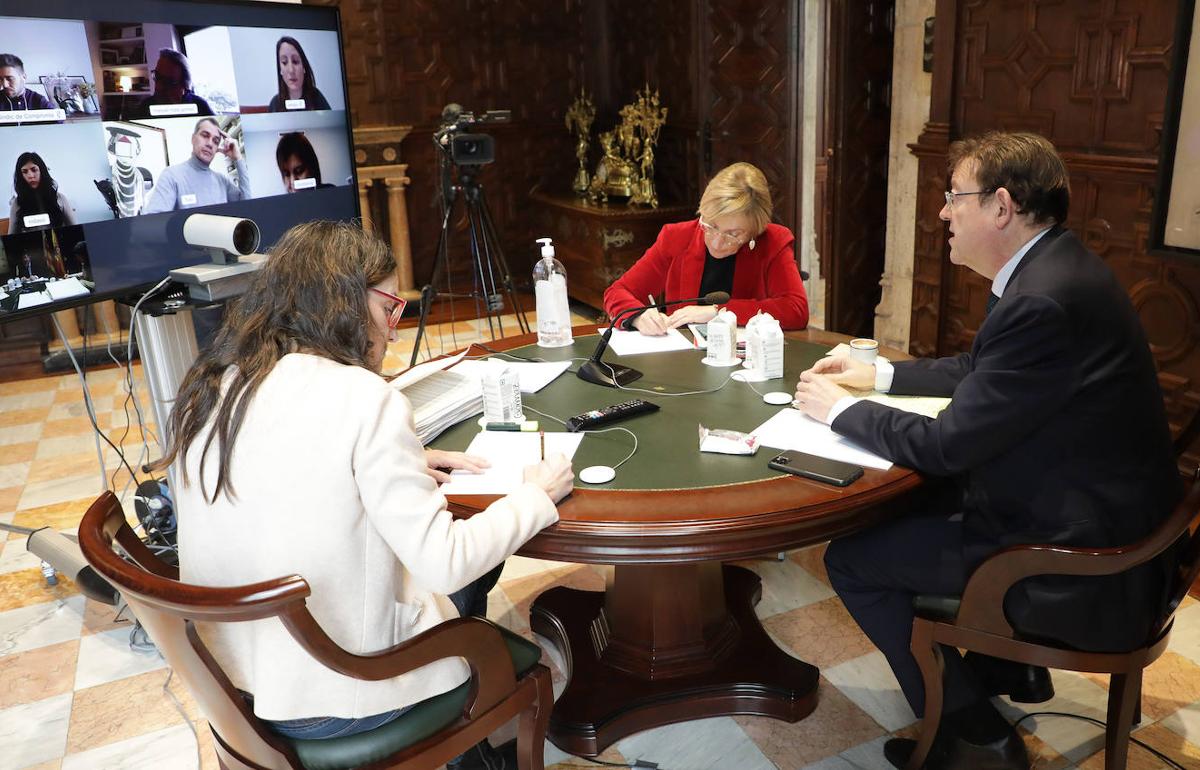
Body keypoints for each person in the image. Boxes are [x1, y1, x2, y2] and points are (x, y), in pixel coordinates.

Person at [794, 132, 1181, 769]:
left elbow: (947, 447)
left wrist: (837, 410)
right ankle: (1013, 669)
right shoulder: (1053, 265)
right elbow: (984, 367)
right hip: (1106, 508)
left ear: (1001, 206)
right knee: (907, 509)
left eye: (954, 197)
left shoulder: (1040, 300)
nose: (944, 212)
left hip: (1083, 555)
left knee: (854, 560)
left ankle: (970, 734)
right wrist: (881, 376)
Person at [154, 221, 573, 769]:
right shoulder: (363, 397)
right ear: (344, 302)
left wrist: (402, 463)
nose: (395, 330)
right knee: (476, 569)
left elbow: (275, 468)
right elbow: (446, 563)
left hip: (236, 686)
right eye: (389, 308)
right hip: (340, 692)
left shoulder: (215, 385)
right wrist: (536, 496)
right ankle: (470, 744)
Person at [602, 161, 808, 334]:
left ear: (756, 230)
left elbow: (796, 310)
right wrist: (638, 316)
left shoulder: (773, 242)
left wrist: (720, 311)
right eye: (711, 226)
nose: (717, 242)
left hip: (748, 363)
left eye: (733, 234)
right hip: (683, 358)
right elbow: (617, 292)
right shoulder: (677, 237)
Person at [144, 117, 251, 214]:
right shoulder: (172, 175)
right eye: (205, 135)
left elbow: (247, 207)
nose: (210, 144)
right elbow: (154, 221)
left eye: (216, 141)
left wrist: (238, 159)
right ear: (193, 138)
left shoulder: (223, 181)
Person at [9, 152, 78, 233]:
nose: (30, 175)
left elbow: (75, 229)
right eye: (25, 172)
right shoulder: (17, 203)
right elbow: (11, 236)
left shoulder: (60, 198)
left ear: (42, 170)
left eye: (34, 170)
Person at [137, 48, 214, 118]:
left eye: (168, 81)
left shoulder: (200, 106)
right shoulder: (145, 107)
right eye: (157, 76)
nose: (158, 86)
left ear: (185, 85)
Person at [268, 36, 331, 112]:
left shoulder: (316, 97)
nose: (291, 70)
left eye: (295, 61)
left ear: (304, 67)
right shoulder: (275, 104)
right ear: (280, 70)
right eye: (284, 62)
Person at [0, 53, 62, 122]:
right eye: (1, 79)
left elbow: (58, 121)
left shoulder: (38, 100)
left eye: (9, 79)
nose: (4, 84)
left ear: (23, 77)